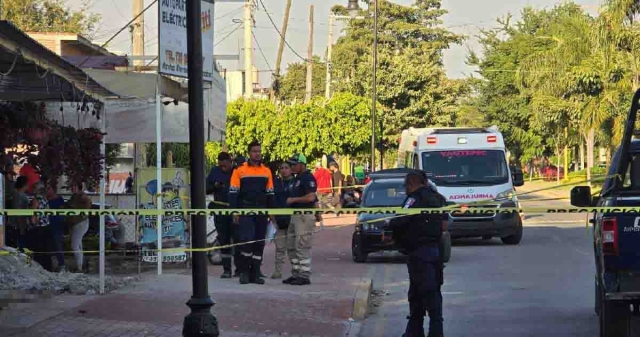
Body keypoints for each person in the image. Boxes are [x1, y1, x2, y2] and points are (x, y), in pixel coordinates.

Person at [388, 172, 446, 337]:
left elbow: (400, 219)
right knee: (427, 292)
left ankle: (426, 332)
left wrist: (390, 224)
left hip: (418, 253)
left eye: (406, 186)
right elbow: (444, 226)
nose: (405, 190)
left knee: (422, 294)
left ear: (411, 183)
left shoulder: (413, 199)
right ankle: (416, 332)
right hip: (436, 252)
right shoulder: (438, 198)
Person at [229, 141, 275, 285]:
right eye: (255, 151)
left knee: (259, 243)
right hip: (245, 211)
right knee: (246, 241)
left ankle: (255, 274)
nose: (257, 154)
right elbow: (233, 193)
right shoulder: (239, 170)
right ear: (249, 153)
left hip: (261, 212)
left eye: (259, 151)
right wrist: (235, 212)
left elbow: (270, 194)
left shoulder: (266, 171)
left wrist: (272, 213)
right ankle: (244, 272)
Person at [283, 154, 317, 286]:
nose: (292, 167)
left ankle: (304, 276)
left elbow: (311, 198)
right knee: (291, 246)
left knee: (302, 245)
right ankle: (296, 273)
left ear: (302, 164)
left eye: (294, 164)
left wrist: (294, 200)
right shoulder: (297, 179)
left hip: (304, 216)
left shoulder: (308, 178)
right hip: (295, 216)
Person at [206, 152, 239, 279]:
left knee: (237, 239)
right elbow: (205, 188)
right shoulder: (215, 171)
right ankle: (226, 270)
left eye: (225, 166)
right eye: (220, 166)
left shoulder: (237, 171)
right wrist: (214, 186)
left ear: (230, 162)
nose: (222, 168)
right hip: (220, 211)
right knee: (223, 240)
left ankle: (239, 269)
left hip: (234, 211)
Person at [271, 161, 294, 279]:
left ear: (291, 169)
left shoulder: (296, 182)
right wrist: (272, 217)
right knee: (279, 247)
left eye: (286, 168)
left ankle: (296, 271)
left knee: (292, 248)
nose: (284, 170)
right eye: (282, 168)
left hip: (292, 219)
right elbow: (271, 200)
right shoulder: (276, 183)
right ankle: (277, 271)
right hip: (279, 219)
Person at [27, 182, 53, 271]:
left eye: (34, 188)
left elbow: (33, 214)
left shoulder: (36, 199)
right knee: (46, 250)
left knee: (37, 250)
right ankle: (47, 269)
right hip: (46, 227)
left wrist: (32, 222)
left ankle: (39, 269)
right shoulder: (45, 199)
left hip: (38, 228)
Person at [67, 182, 92, 273]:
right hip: (75, 224)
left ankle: (80, 267)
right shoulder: (74, 196)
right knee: (78, 245)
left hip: (80, 223)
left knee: (74, 245)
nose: (73, 188)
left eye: (75, 186)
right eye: (72, 186)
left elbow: (88, 201)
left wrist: (85, 214)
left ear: (79, 187)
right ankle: (80, 265)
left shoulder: (81, 195)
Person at [13, 176, 31, 251]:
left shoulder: (14, 194)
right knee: (22, 248)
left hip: (16, 225)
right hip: (20, 226)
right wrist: (21, 228)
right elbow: (18, 212)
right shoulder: (21, 196)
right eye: (27, 184)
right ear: (24, 185)